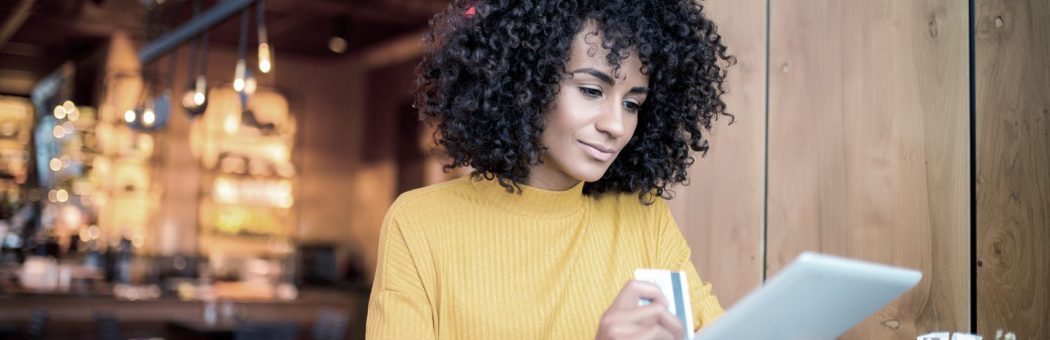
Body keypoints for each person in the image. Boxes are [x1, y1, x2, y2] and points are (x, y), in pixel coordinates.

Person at [366, 0, 733, 339]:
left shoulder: (645, 219)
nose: (617, 125)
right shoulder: (419, 224)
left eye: (633, 103)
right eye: (591, 90)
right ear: (525, 82)